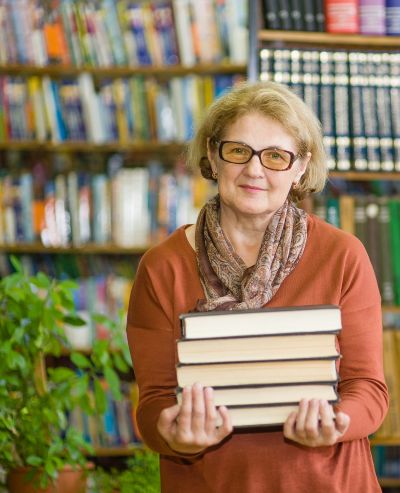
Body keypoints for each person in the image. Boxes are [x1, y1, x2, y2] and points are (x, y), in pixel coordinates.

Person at [126, 80, 388, 493]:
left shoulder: (343, 256)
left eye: (275, 156)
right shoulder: (162, 268)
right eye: (238, 151)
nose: (254, 170)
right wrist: (173, 432)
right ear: (213, 155)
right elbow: (154, 403)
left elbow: (369, 390)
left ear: (301, 166)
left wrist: (339, 423)